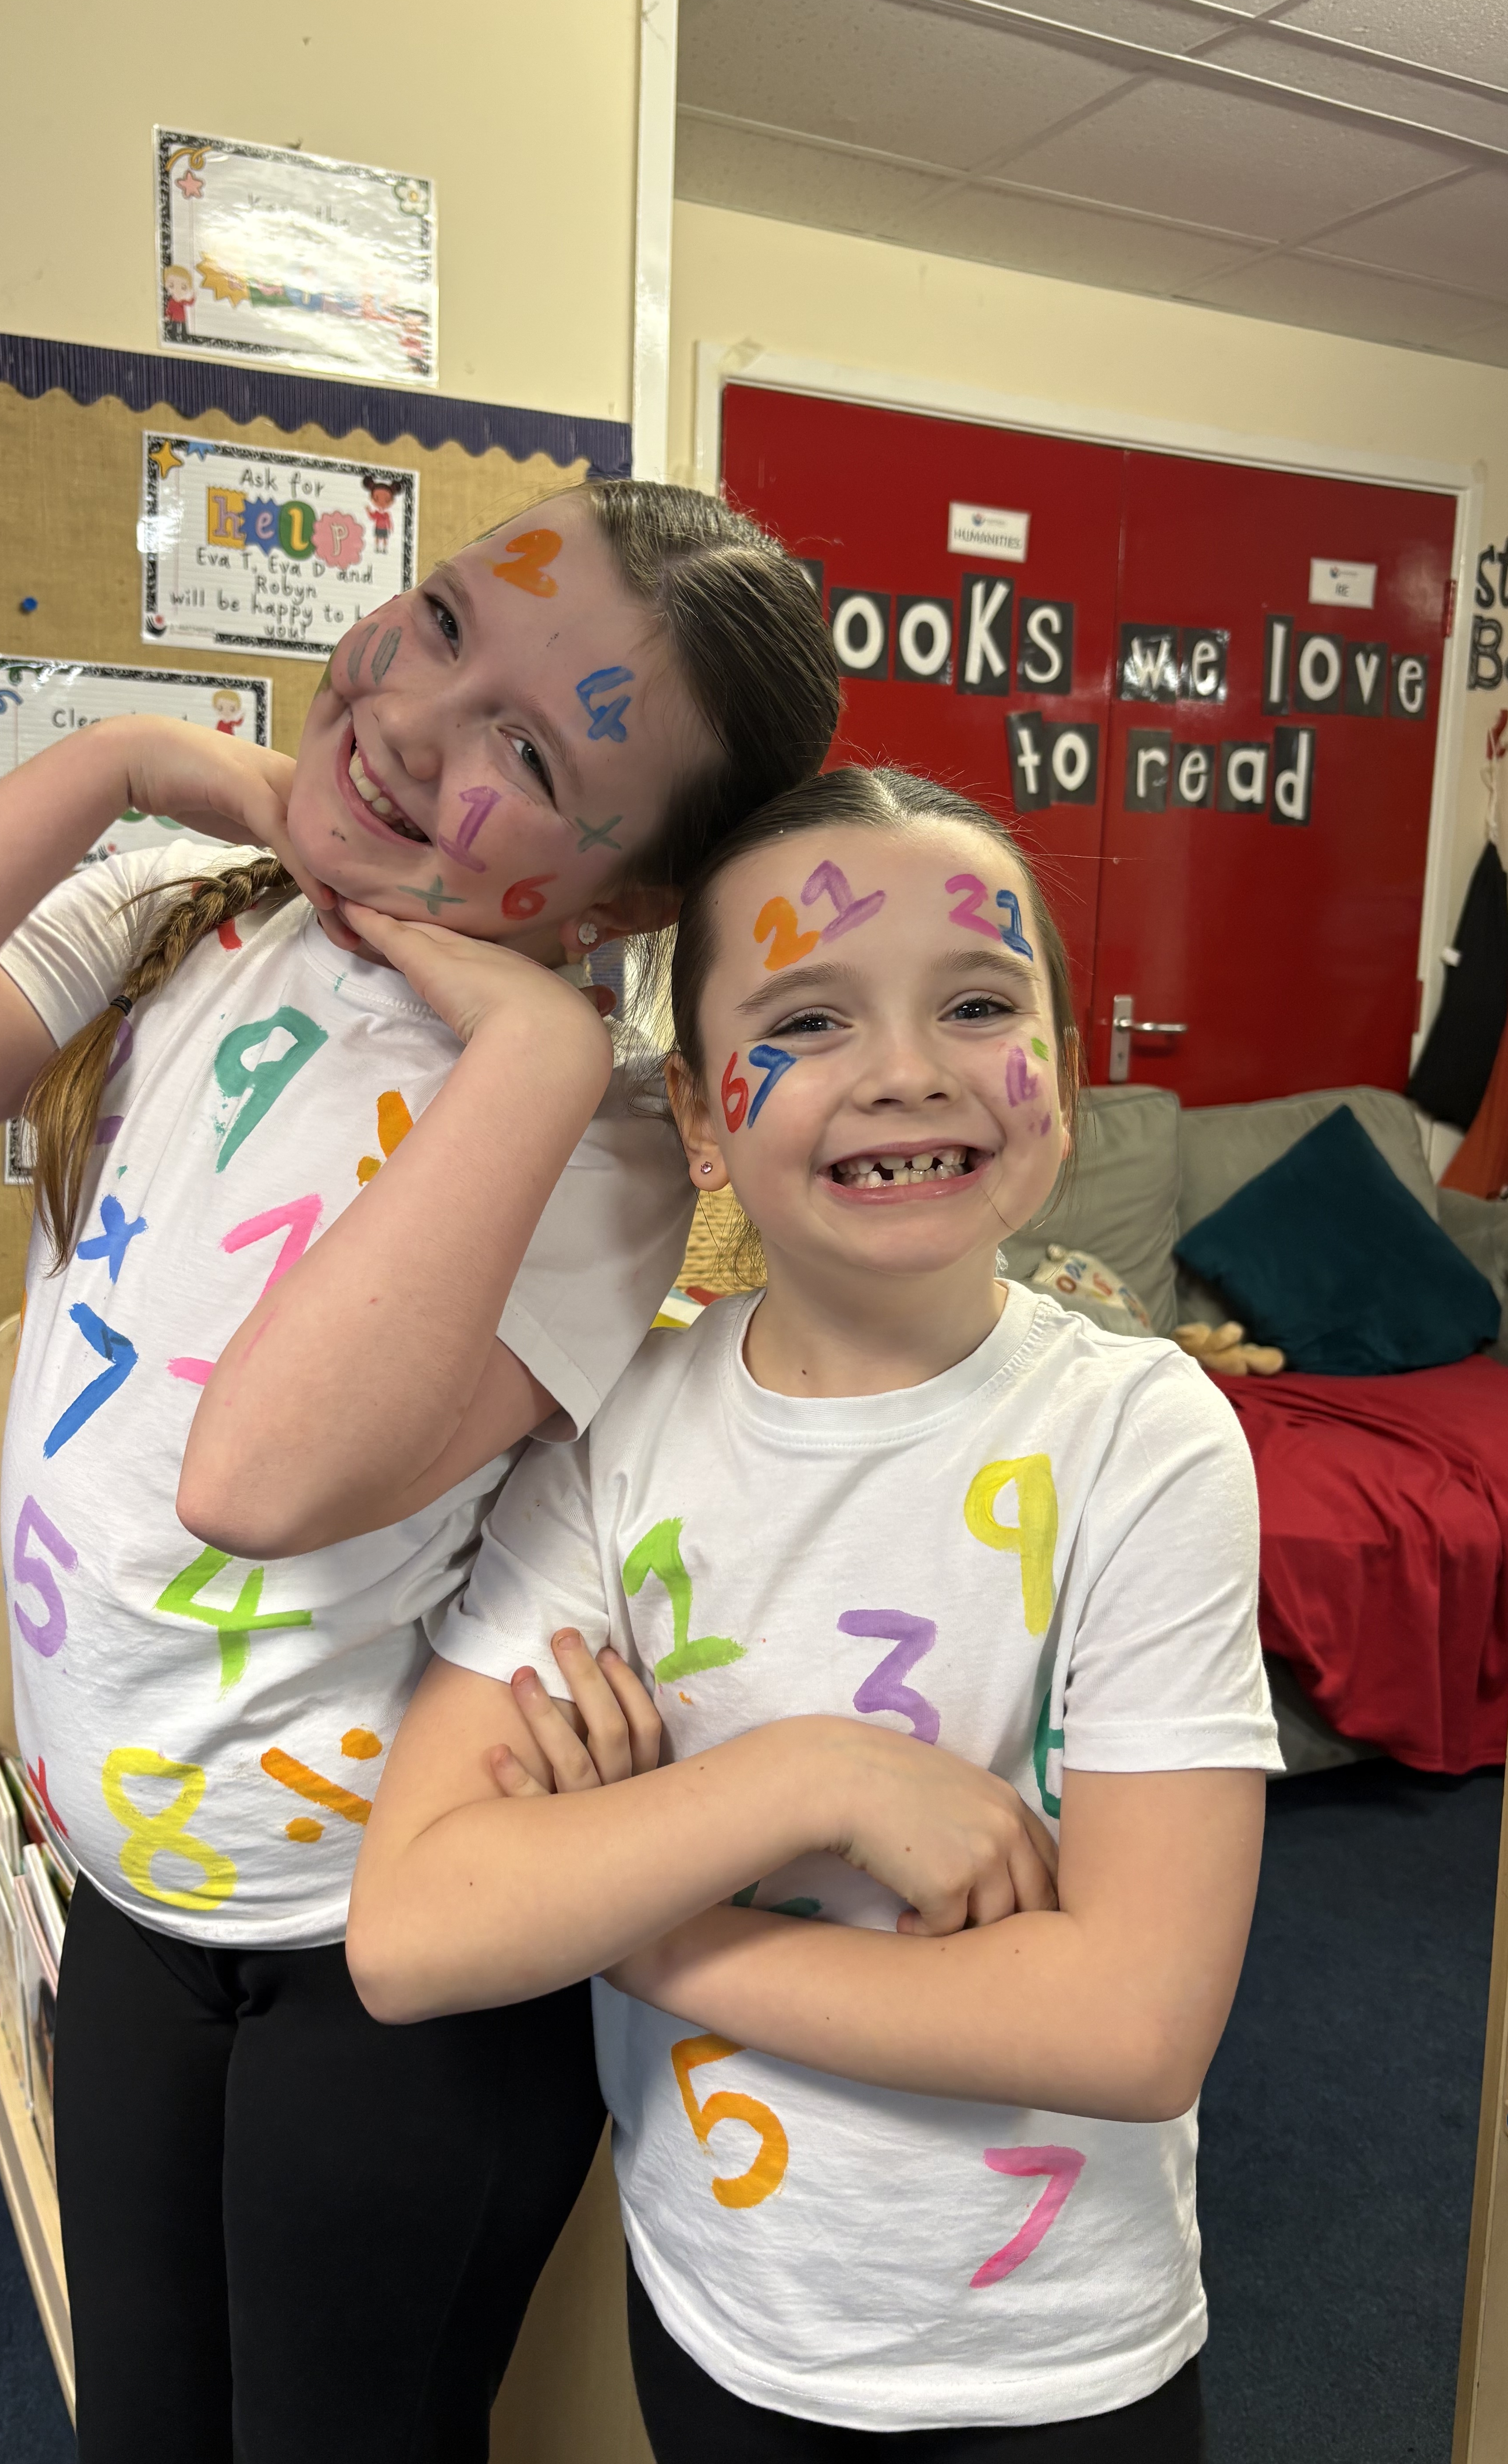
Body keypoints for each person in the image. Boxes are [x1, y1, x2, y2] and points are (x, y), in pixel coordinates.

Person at [0, 481, 841, 2463]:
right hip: (142, 1895)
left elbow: (258, 1477)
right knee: (140, 2421)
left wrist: (536, 1054)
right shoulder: (184, 917)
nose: (413, 719)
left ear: (629, 901)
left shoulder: (591, 1151)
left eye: (531, 753)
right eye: (443, 620)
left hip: (381, 1950)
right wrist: (121, 766)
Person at [349, 763, 1279, 2462]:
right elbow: (413, 1931)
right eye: (807, 1020)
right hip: (721, 2316)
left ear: (1059, 1075)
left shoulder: (1145, 1441)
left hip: (1049, 2365)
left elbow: (1131, 2025)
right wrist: (811, 1779)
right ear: (699, 1118)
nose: (908, 1070)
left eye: (978, 1005)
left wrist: (639, 1920)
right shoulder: (614, 1435)